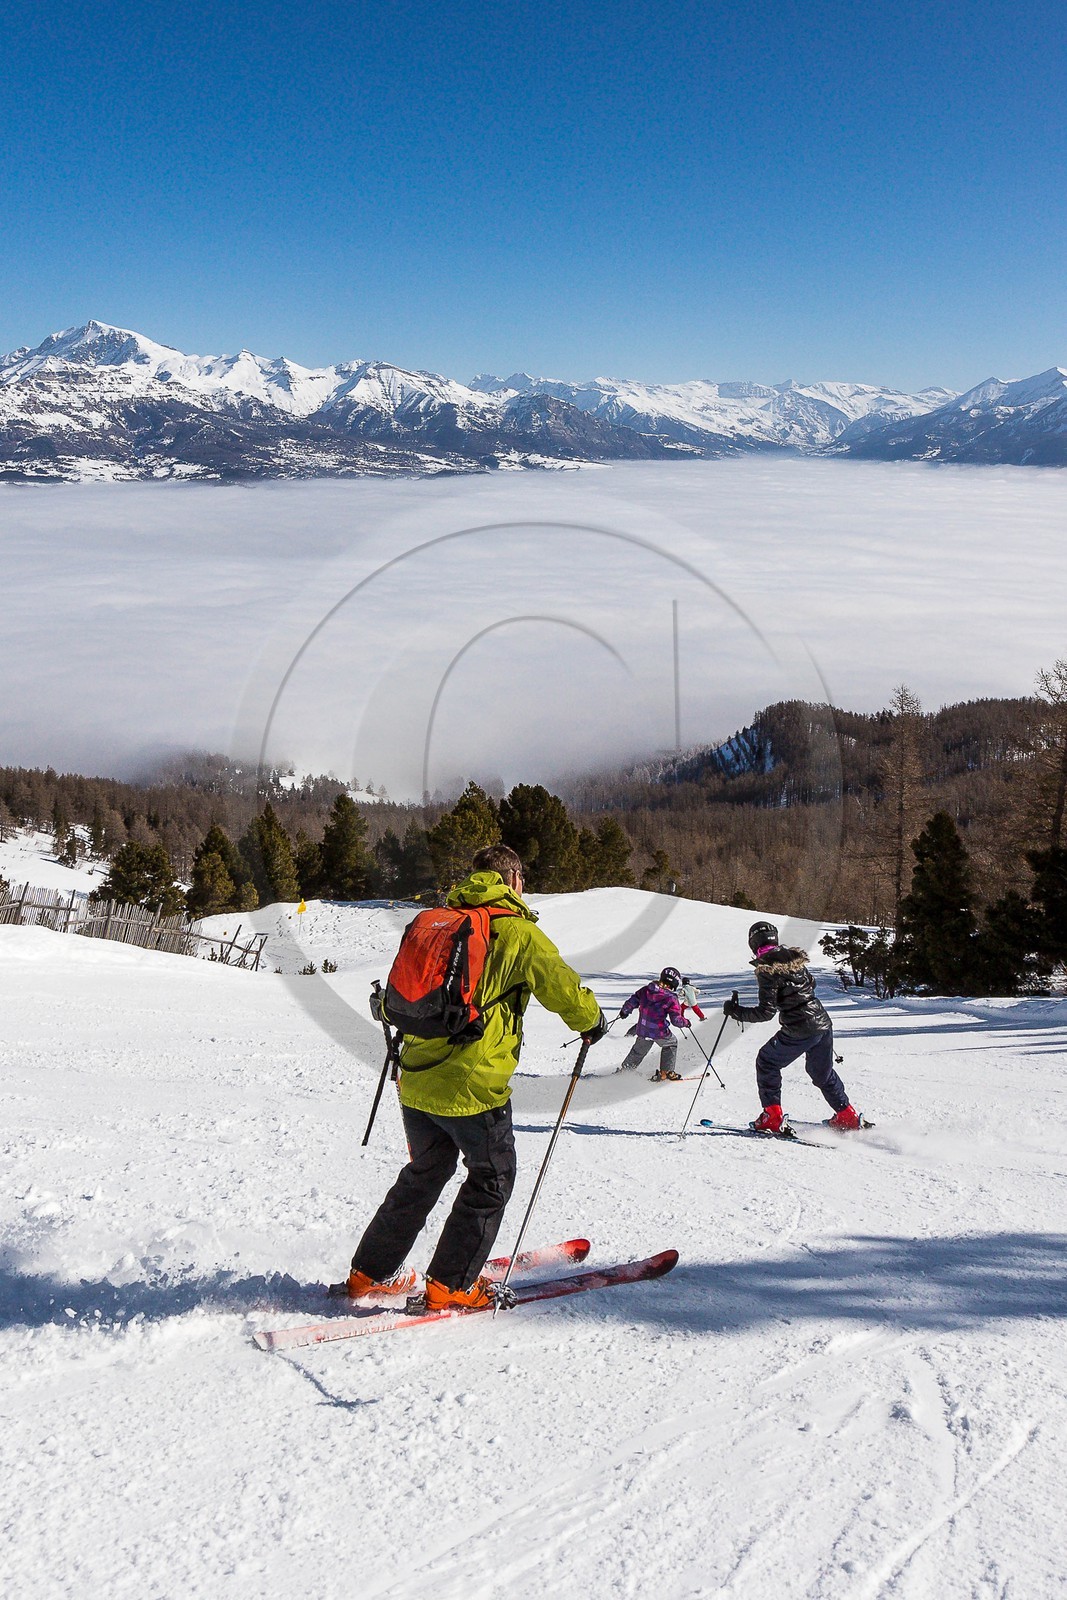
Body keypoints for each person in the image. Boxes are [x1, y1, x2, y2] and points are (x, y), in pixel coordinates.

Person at [335, 844, 606, 1311]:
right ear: (514, 879)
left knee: (425, 1172)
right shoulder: (518, 932)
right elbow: (564, 988)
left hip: (416, 1077)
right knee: (492, 1176)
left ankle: (370, 1273)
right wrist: (591, 1022)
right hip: (474, 1083)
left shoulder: (438, 922)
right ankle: (452, 1285)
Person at [724, 921, 862, 1132]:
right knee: (820, 1073)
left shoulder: (766, 969)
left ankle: (772, 1116)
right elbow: (811, 984)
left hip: (800, 1028)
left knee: (767, 1061)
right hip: (822, 1023)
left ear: (753, 943)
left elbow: (765, 1012)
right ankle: (847, 1115)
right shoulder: (795, 959)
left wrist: (736, 1011)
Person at [618, 966, 692, 1081]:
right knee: (671, 1043)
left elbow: (633, 1000)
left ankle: (625, 1071)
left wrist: (625, 1011)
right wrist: (686, 1022)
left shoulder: (646, 990)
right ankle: (666, 1072)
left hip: (642, 1029)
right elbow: (676, 1020)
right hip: (659, 1031)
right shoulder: (671, 998)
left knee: (638, 1051)